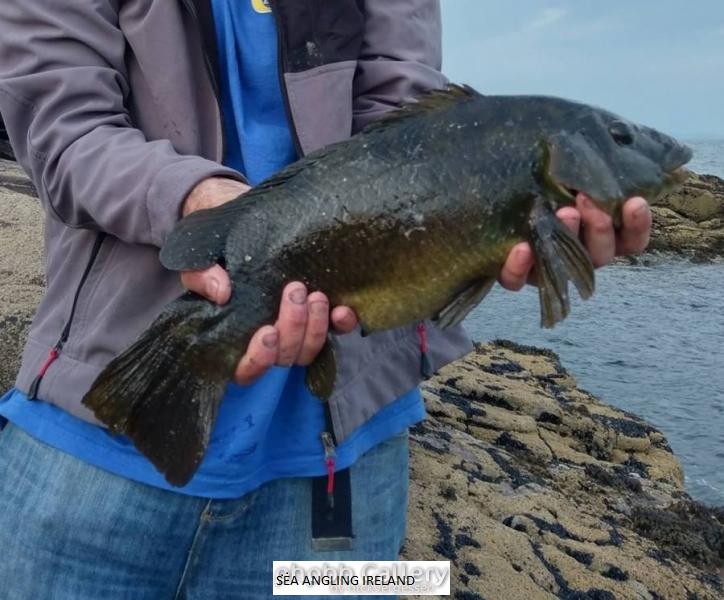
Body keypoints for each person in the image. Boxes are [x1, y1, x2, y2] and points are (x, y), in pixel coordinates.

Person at [0, 1, 652, 598]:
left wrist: (501, 237)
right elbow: (64, 128)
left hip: (346, 469)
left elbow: (404, 127)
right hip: (87, 458)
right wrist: (191, 199)